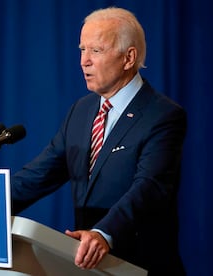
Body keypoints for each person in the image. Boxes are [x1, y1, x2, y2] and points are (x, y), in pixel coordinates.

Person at [11, 7, 186, 275]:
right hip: (88, 267)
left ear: (129, 58)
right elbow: (38, 175)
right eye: (82, 49)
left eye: (96, 50)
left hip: (140, 265)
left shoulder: (162, 115)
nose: (84, 61)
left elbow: (150, 187)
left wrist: (104, 233)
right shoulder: (81, 111)